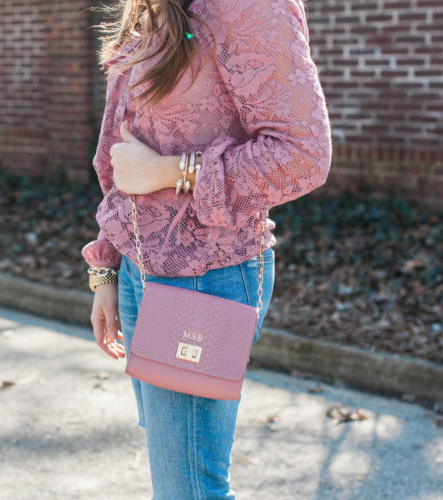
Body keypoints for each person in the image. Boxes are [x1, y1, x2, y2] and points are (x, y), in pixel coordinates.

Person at [82, 0, 332, 497]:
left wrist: (176, 171)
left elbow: (304, 154)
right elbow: (120, 156)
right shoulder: (151, 6)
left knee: (189, 488)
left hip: (206, 276)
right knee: (175, 471)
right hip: (137, 274)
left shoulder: (248, 7)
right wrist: (106, 269)